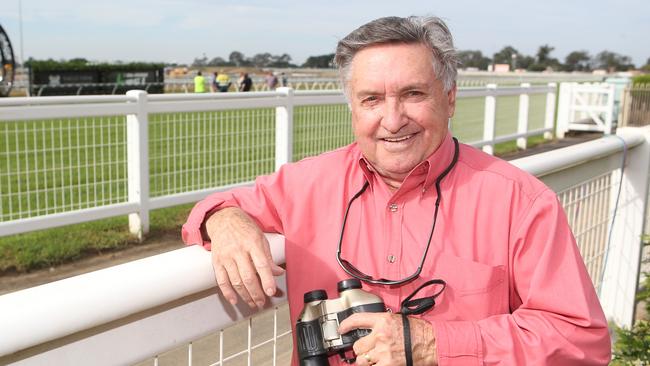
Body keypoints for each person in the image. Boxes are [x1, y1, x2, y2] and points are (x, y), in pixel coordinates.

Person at [182, 16, 610, 366]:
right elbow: (214, 207)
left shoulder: (522, 202)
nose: (392, 119)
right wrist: (228, 222)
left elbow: (582, 340)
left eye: (413, 94)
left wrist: (435, 343)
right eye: (371, 99)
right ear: (353, 107)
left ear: (450, 99)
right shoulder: (306, 183)